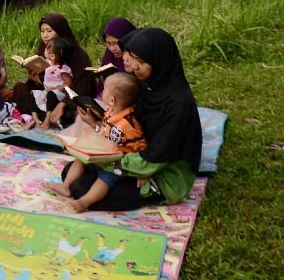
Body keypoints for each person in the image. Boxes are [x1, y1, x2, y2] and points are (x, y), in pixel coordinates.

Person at [62, 28, 203, 211]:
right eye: (133, 58)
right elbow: (130, 127)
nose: (134, 66)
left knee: (81, 188)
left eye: (141, 61)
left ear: (159, 62)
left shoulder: (179, 104)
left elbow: (159, 154)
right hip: (133, 156)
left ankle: (148, 188)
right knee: (70, 173)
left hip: (163, 172)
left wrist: (120, 164)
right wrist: (96, 124)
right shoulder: (148, 85)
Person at [46, 72, 147, 212]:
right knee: (79, 159)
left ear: (112, 100)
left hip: (118, 164)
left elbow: (142, 148)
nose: (102, 91)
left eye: (104, 89)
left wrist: (144, 173)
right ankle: (66, 187)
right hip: (102, 156)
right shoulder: (110, 112)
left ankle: (84, 202)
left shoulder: (129, 125)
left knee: (105, 179)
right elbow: (103, 131)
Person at [10, 13, 94, 126]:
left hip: (68, 97)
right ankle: (31, 118)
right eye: (42, 31)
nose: (45, 35)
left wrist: (63, 104)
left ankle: (50, 117)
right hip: (47, 93)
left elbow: (82, 89)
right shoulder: (44, 49)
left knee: (77, 109)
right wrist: (36, 79)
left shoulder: (78, 56)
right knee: (21, 88)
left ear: (60, 31)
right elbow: (46, 83)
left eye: (49, 31)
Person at [33, 37, 74, 120]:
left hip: (57, 94)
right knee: (33, 96)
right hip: (47, 91)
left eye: (47, 48)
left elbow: (69, 83)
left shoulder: (62, 69)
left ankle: (47, 119)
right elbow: (37, 66)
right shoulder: (47, 63)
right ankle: (35, 119)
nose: (44, 49)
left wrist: (59, 87)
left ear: (52, 56)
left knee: (51, 95)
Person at [96, 17, 137, 97]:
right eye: (108, 43)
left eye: (115, 43)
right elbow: (101, 87)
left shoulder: (137, 57)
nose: (112, 49)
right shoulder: (109, 55)